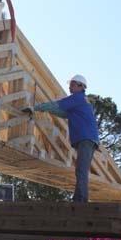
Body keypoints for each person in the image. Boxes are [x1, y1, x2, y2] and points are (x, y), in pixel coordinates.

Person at [21, 74, 99, 202]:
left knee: (81, 170)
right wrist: (46, 110)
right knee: (81, 169)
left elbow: (57, 105)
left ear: (81, 86)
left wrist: (35, 108)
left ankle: (81, 200)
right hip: (88, 138)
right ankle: (79, 198)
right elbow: (63, 113)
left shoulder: (77, 98)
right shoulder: (81, 101)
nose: (69, 87)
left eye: (72, 84)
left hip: (86, 138)